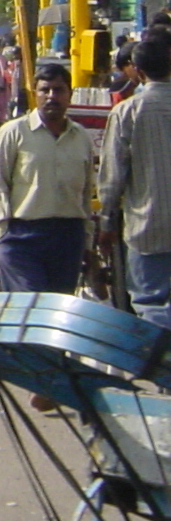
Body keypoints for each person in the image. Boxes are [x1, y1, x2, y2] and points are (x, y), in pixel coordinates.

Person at [0, 64, 94, 295]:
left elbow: (86, 192)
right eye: (45, 90)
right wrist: (2, 231)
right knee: (32, 304)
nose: (51, 96)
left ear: (70, 95)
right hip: (22, 237)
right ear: (34, 93)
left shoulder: (81, 137)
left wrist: (86, 239)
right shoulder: (14, 132)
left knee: (57, 308)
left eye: (58, 90)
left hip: (68, 238)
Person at [100, 32, 171, 328]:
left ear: (138, 72)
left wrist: (105, 223)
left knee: (152, 306)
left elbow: (112, 176)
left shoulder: (127, 111)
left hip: (147, 229)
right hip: (148, 230)